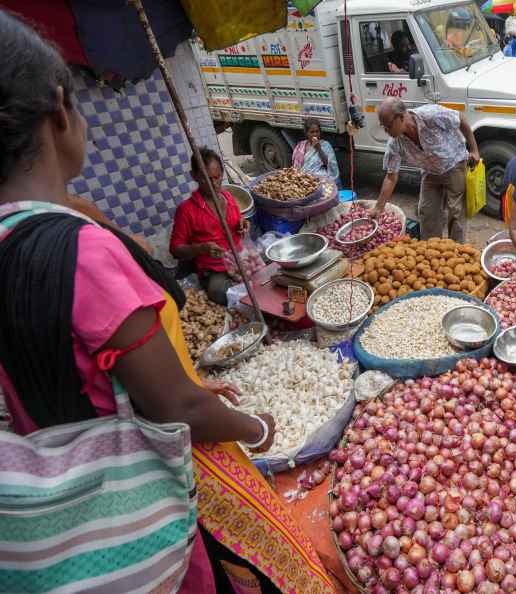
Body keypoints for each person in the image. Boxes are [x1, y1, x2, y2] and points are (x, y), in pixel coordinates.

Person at [0, 11, 335, 594]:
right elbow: (177, 409)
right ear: (59, 110)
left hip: (58, 526)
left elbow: (83, 372)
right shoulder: (84, 250)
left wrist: (193, 389)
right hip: (138, 518)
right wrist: (256, 426)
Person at [372, 98, 479, 242]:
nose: (386, 131)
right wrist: (379, 207)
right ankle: (430, 249)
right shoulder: (395, 144)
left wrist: (474, 149)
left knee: (456, 213)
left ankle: (456, 250)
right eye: (383, 126)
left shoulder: (430, 115)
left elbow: (460, 119)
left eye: (388, 126)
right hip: (430, 172)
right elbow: (391, 177)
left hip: (454, 164)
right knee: (427, 213)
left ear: (401, 117)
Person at [170, 148, 248, 306]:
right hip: (214, 269)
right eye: (206, 179)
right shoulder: (186, 210)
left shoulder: (227, 196)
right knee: (218, 291)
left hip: (239, 257)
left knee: (266, 272)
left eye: (217, 177)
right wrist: (201, 248)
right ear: (194, 176)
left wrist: (243, 224)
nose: (213, 184)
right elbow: (175, 249)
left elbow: (238, 220)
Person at [292, 116, 340, 184]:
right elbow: (296, 166)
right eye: (312, 132)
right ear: (306, 133)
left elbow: (330, 166)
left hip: (319, 178)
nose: (315, 134)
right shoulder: (301, 146)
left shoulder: (326, 145)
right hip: (304, 179)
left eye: (317, 131)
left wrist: (319, 149)